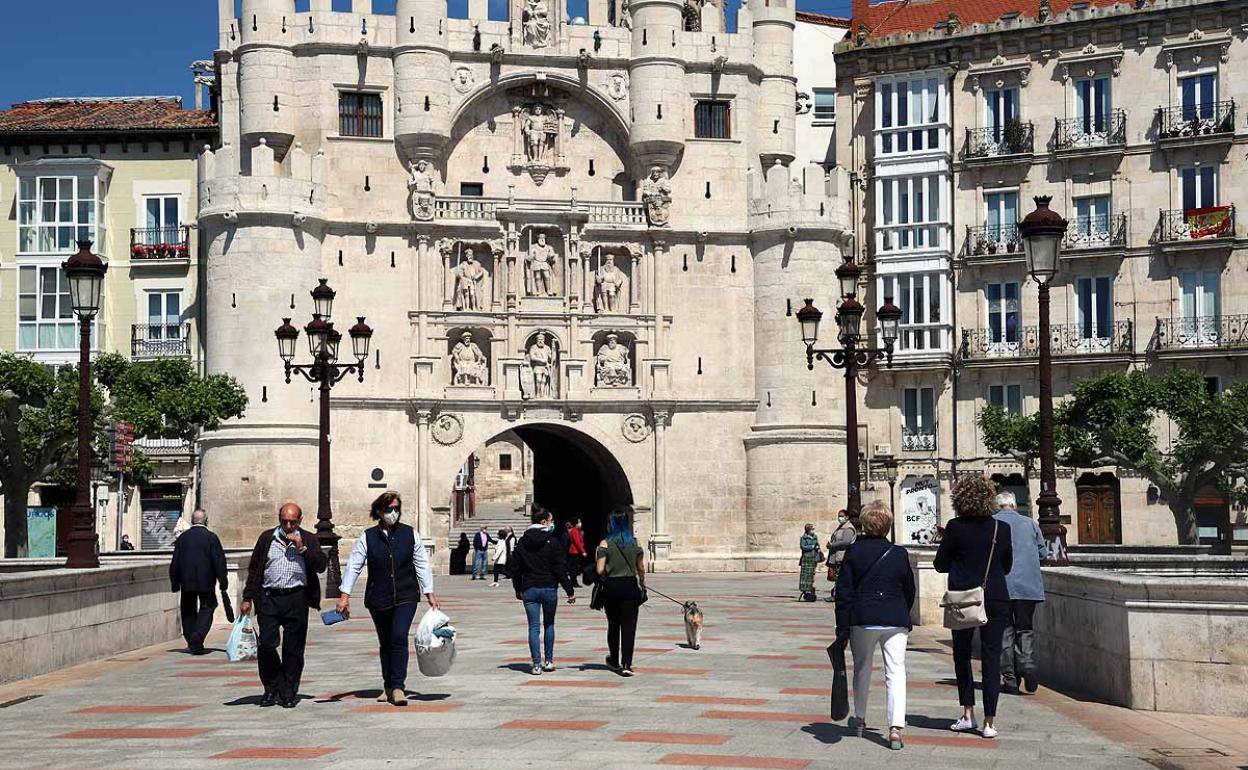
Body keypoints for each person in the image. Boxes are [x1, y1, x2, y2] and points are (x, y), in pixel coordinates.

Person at [337, 492, 439, 706]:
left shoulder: (410, 534)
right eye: (389, 509)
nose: (393, 513)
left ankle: (399, 686)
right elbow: (354, 565)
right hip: (378, 595)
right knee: (385, 642)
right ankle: (388, 685)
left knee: (399, 636)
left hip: (406, 594)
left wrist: (429, 592)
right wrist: (344, 595)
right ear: (379, 512)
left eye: (396, 508)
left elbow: (421, 563)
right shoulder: (368, 537)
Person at [934, 476, 1013, 739]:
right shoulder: (1000, 529)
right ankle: (990, 721)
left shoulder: (955, 527)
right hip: (995, 597)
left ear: (960, 499)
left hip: (963, 599)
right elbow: (1007, 565)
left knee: (962, 654)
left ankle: (968, 713)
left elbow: (940, 564)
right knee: (992, 658)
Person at [835, 501, 916, 751]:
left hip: (863, 618)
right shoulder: (899, 553)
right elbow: (909, 590)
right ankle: (895, 728)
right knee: (896, 671)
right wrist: (901, 609)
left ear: (865, 524)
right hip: (895, 618)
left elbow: (844, 592)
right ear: (888, 525)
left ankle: (860, 718)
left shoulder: (854, 552)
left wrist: (842, 627)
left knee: (862, 668)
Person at [240, 503, 327, 709]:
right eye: (284, 521)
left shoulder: (308, 538)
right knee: (267, 644)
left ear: (300, 520)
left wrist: (302, 548)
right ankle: (271, 687)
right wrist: (247, 598)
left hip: (296, 598)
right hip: (270, 597)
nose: (288, 525)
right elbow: (254, 569)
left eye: (293, 522)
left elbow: (321, 565)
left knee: (293, 649)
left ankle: (288, 691)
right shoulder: (266, 538)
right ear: (279, 520)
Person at [510, 505, 576, 675]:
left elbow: (515, 568)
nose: (553, 523)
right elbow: (560, 569)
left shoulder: (522, 542)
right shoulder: (553, 542)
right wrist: (569, 590)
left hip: (529, 588)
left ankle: (536, 664)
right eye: (551, 520)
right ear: (544, 521)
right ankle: (548, 661)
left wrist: (518, 588)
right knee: (549, 624)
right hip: (548, 588)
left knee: (533, 627)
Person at [993, 491, 1048, 695]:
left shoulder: (993, 523)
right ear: (1014, 505)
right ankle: (1027, 664)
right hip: (1028, 586)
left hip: (1001, 586)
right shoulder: (1031, 524)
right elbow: (1043, 552)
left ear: (997, 506)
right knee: (1025, 628)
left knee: (1005, 632)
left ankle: (1010, 679)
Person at [168, 509, 228, 655]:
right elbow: (218, 560)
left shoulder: (183, 538)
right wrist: (222, 580)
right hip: (206, 581)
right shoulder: (211, 537)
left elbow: (175, 561)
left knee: (188, 610)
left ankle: (192, 639)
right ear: (206, 520)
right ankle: (198, 635)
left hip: (187, 581)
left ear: (192, 520)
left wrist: (175, 582)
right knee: (208, 606)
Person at [595, 506, 646, 677]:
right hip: (631, 586)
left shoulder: (605, 543)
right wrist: (642, 584)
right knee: (629, 627)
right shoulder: (635, 542)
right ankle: (626, 664)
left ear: (611, 525)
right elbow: (641, 568)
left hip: (612, 587)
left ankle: (614, 660)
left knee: (614, 624)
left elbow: (600, 570)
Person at [825, 510, 857, 602]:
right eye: (839, 516)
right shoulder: (841, 527)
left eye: (842, 516)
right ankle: (835, 594)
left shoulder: (848, 528)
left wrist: (833, 545)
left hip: (842, 556)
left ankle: (837, 595)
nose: (840, 518)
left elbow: (846, 542)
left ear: (847, 517)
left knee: (840, 577)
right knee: (837, 577)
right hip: (836, 556)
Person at [798, 523, 822, 601]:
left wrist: (818, 548)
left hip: (814, 558)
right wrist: (812, 547)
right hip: (806, 558)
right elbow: (803, 546)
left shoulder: (815, 537)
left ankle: (811, 589)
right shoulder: (803, 538)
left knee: (812, 575)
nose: (812, 531)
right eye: (811, 529)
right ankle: (806, 590)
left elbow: (817, 544)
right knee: (806, 575)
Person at [566, 518, 588, 587]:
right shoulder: (575, 531)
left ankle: (573, 581)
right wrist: (583, 551)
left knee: (574, 567)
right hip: (574, 551)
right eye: (579, 522)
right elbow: (577, 542)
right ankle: (574, 582)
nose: (580, 523)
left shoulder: (577, 531)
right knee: (574, 568)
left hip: (575, 551)